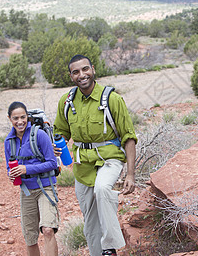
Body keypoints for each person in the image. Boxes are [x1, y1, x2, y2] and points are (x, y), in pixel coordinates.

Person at [53, 54, 137, 256]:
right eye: (76, 72)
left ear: (93, 69)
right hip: (83, 166)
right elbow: (61, 132)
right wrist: (58, 144)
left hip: (110, 158)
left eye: (85, 69)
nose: (81, 75)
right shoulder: (67, 102)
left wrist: (131, 174)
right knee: (90, 220)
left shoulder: (112, 99)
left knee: (102, 188)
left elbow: (129, 137)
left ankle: (110, 247)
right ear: (71, 76)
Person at [4, 101, 59, 256]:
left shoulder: (39, 135)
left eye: (23, 117)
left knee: (48, 230)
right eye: (16, 118)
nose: (20, 121)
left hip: (45, 187)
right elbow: (9, 166)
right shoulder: (9, 141)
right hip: (27, 191)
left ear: (27, 117)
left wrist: (26, 169)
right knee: (30, 236)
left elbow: (52, 163)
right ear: (10, 119)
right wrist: (11, 173)